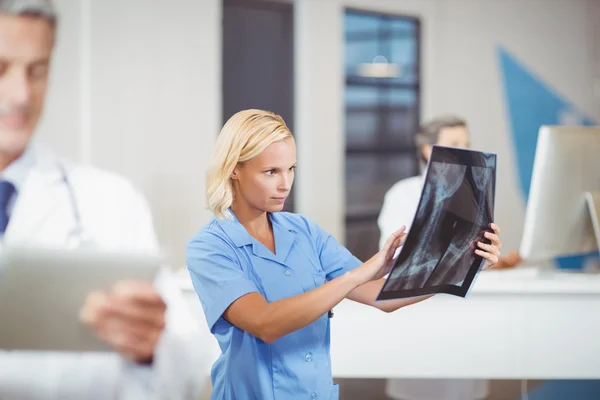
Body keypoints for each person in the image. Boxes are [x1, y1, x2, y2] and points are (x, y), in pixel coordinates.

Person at [185, 109, 502, 399]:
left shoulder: (303, 231)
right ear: (235, 170)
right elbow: (266, 323)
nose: (285, 184)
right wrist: (356, 275)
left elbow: (382, 296)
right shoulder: (210, 248)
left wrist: (464, 261)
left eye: (291, 169)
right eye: (270, 172)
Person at [0, 2, 211, 398]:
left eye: (38, 71)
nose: (22, 94)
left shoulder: (110, 202)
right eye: (1, 68)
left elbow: (184, 370)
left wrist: (149, 349)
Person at [378, 115, 521, 400]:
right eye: (455, 144)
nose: (466, 152)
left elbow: (470, 257)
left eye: (467, 144)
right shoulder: (403, 194)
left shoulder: (476, 195)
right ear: (429, 150)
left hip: (465, 318)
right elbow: (392, 256)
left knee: (465, 389)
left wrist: (488, 258)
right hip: (418, 320)